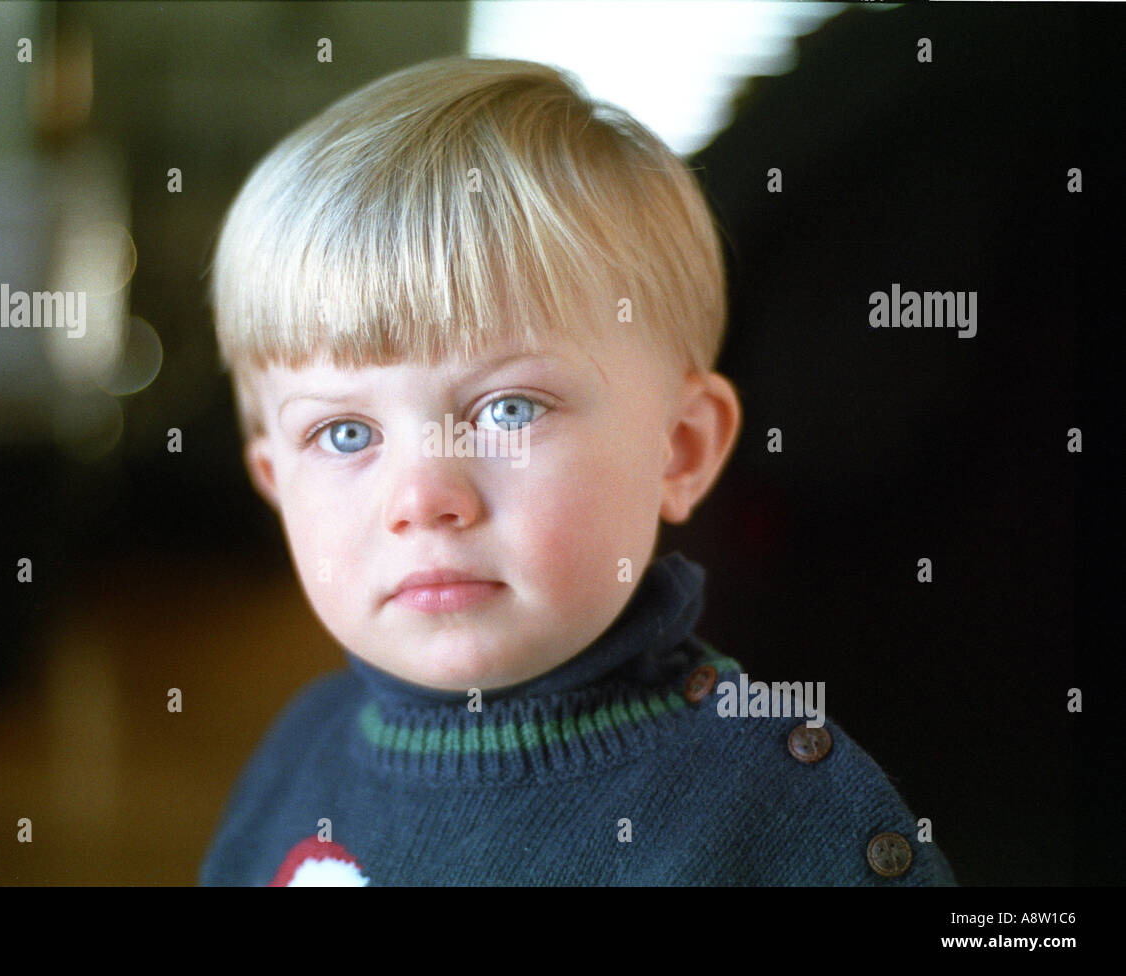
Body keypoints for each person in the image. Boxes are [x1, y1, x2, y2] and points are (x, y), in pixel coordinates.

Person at [199, 55, 955, 885]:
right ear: (275, 481)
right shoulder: (295, 755)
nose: (423, 500)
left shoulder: (777, 815)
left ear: (681, 448)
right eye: (344, 433)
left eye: (509, 411)